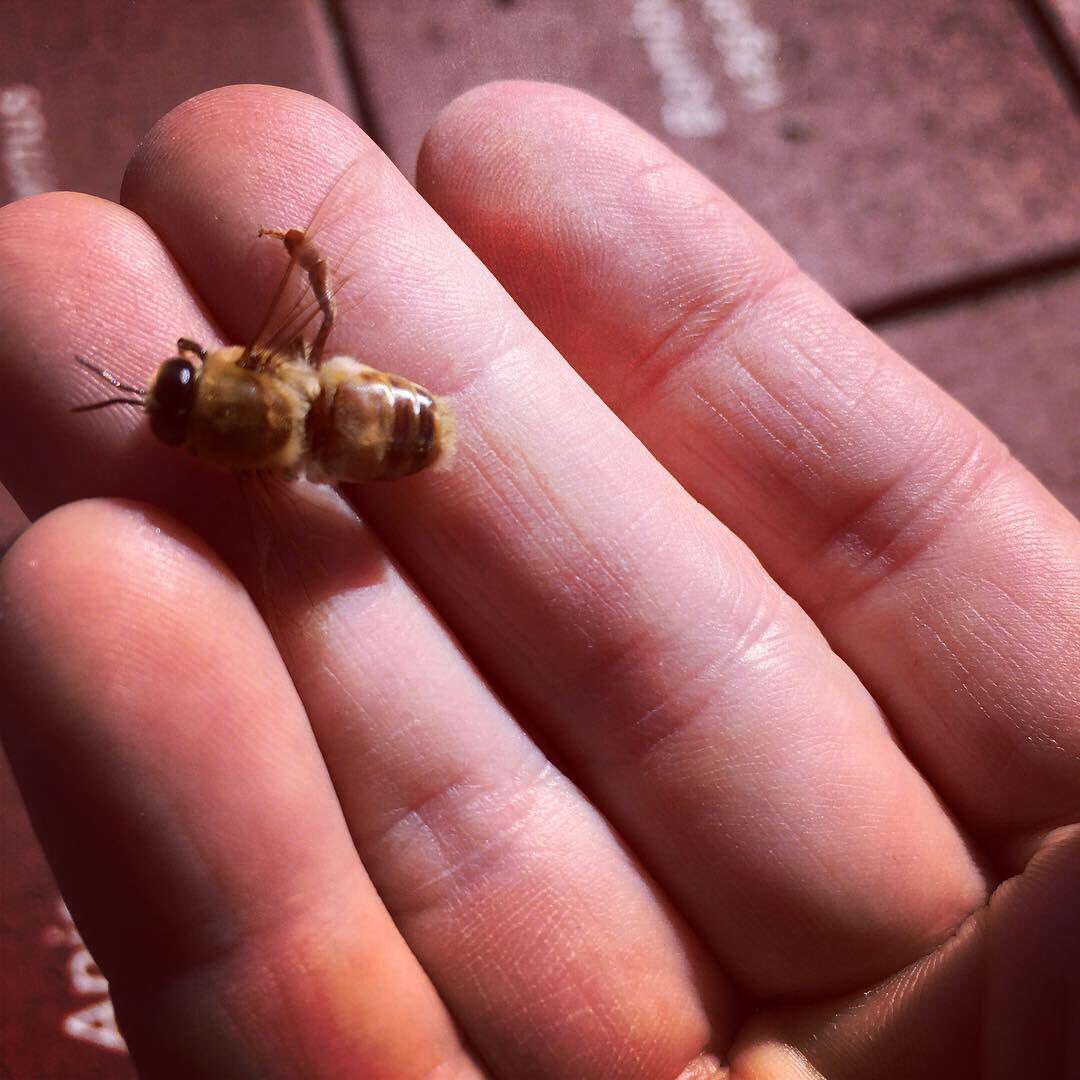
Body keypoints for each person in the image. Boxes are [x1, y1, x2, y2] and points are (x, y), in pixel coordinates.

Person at [0, 82, 1076, 1079]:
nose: (173, 381)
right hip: (364, 411)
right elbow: (289, 339)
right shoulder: (254, 373)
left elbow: (260, 456)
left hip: (349, 440)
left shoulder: (234, 456)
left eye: (176, 382)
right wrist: (301, 271)